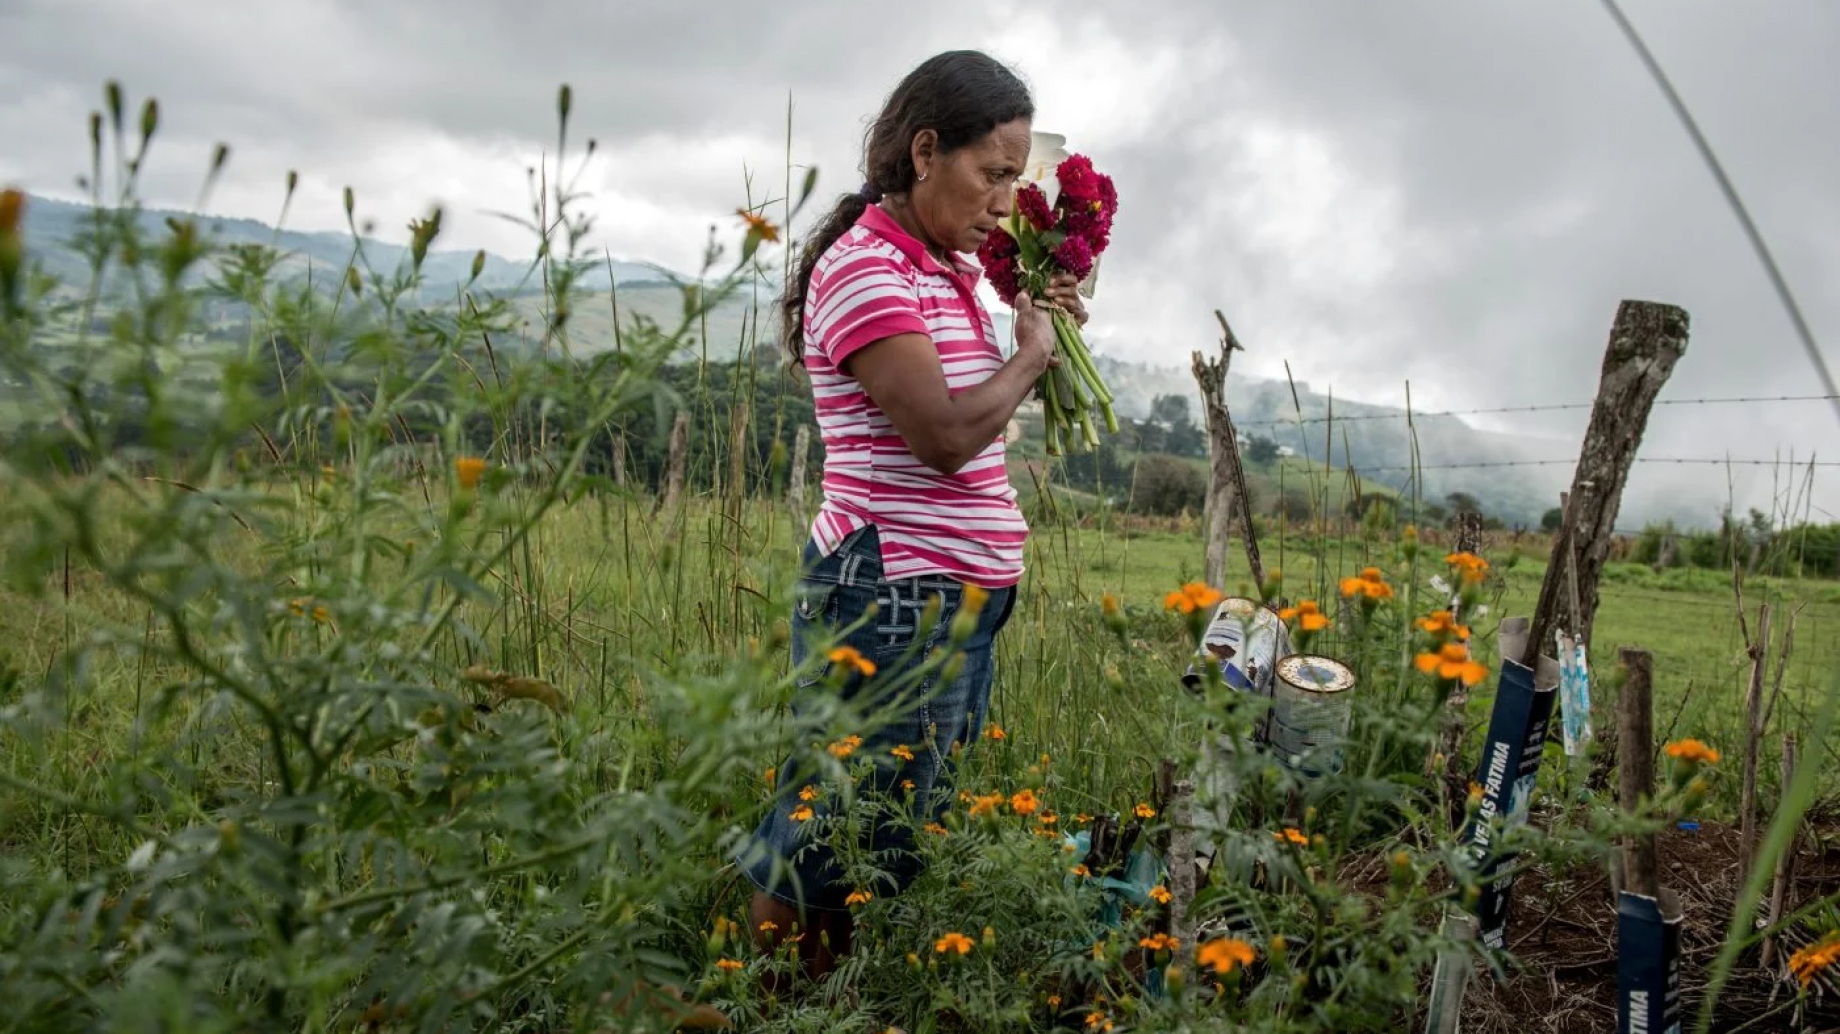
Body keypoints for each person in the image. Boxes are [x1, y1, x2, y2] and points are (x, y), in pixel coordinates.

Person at [733, 49, 1088, 980]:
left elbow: (985, 403)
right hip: (890, 593)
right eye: (994, 174)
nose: (1008, 200)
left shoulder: (955, 272)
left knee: (883, 828)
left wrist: (1039, 323)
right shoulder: (865, 270)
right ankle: (765, 1001)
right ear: (926, 150)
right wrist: (1032, 359)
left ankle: (823, 996)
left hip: (953, 599)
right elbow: (940, 435)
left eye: (1017, 177)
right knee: (828, 820)